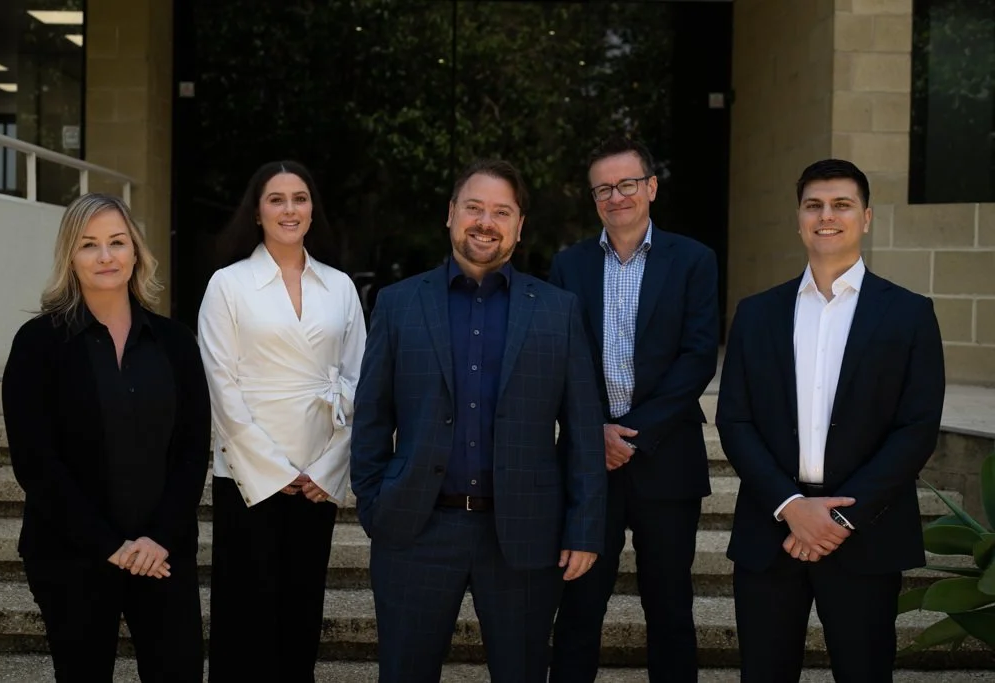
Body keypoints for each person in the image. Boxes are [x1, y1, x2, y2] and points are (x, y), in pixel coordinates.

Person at [351, 159, 606, 683]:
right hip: (417, 530)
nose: (485, 222)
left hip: (523, 536)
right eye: (474, 208)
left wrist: (583, 527)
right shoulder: (399, 305)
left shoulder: (558, 311)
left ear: (519, 225)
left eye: (501, 211)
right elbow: (372, 416)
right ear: (450, 215)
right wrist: (376, 504)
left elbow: (583, 431)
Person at [715, 159, 945, 681]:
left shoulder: (910, 314)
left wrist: (840, 518)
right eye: (813, 205)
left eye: (841, 204)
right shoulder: (755, 313)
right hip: (772, 532)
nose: (826, 216)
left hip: (866, 536)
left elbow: (916, 429)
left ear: (865, 218)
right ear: (798, 218)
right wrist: (791, 505)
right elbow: (735, 421)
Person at [2, 193, 210, 681]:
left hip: (162, 554)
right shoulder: (38, 344)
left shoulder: (175, 342)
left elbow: (191, 449)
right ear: (70, 258)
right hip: (71, 555)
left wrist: (157, 539)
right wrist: (110, 546)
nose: (105, 256)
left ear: (136, 251)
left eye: (117, 242)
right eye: (88, 245)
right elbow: (35, 462)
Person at [549, 135, 720, 683]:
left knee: (669, 605)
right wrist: (593, 430)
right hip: (587, 463)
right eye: (604, 188)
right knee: (578, 606)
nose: (616, 196)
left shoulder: (694, 260)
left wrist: (633, 434)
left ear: (650, 187)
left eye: (626, 184)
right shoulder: (569, 265)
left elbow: (697, 358)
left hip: (667, 460)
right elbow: (558, 360)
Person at [198, 160, 366, 681]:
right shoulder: (227, 285)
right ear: (256, 212)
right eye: (277, 199)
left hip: (316, 479)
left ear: (313, 210)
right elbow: (221, 388)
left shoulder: (340, 286)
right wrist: (275, 472)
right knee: (243, 618)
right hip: (250, 477)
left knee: (300, 615)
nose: (289, 209)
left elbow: (361, 380)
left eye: (300, 198)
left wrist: (327, 469)